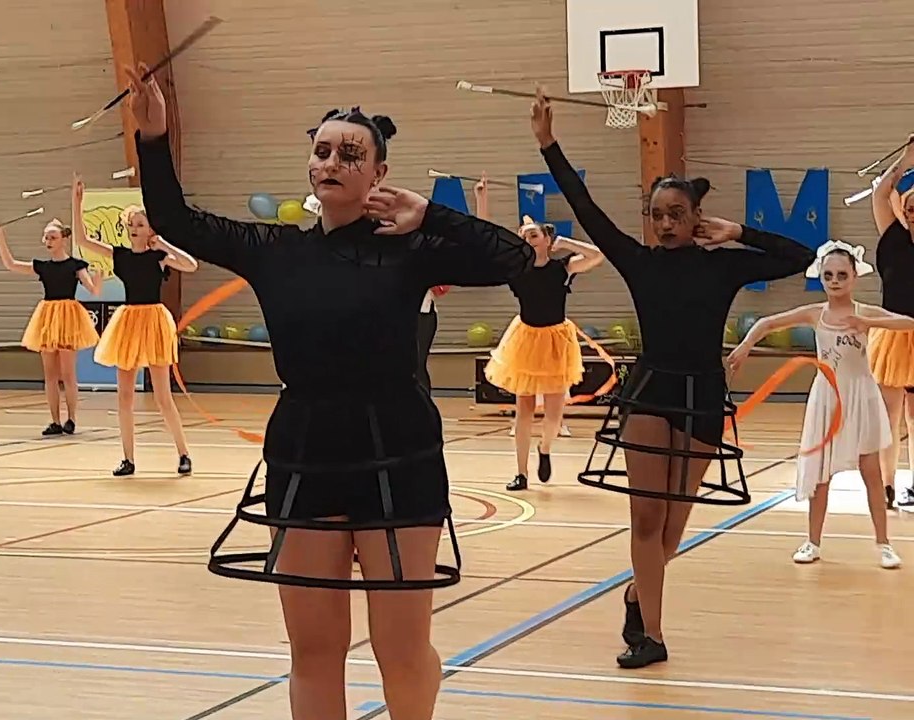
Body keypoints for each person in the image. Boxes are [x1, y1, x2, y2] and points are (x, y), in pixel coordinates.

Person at [125, 64, 533, 720]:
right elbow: (175, 218)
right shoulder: (274, 249)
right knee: (314, 649)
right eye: (322, 151)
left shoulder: (411, 248)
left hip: (397, 447)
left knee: (401, 647)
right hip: (306, 447)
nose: (332, 163)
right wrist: (152, 137)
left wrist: (432, 214)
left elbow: (517, 258)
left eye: (350, 154)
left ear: (378, 173)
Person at [530, 87, 814, 669]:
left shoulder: (723, 265)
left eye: (675, 214)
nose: (664, 223)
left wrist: (739, 232)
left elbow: (801, 255)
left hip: (702, 396)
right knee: (646, 518)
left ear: (695, 217)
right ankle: (652, 636)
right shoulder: (639, 261)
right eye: (657, 214)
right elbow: (586, 208)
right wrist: (548, 144)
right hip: (652, 394)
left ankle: (638, 596)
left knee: (672, 529)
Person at [729, 242, 904, 569]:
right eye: (829, 275)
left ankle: (884, 544)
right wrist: (746, 344)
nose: (835, 281)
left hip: (862, 396)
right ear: (820, 277)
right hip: (827, 398)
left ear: (854, 276)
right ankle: (813, 542)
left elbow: (907, 322)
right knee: (820, 476)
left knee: (871, 472)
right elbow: (767, 322)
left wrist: (869, 324)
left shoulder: (865, 312)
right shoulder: (814, 313)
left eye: (842, 275)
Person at [477, 168, 604, 490]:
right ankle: (521, 472)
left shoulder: (563, 268)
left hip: (556, 341)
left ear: (547, 240)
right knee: (524, 410)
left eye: (533, 234)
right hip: (526, 340)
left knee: (554, 413)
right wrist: (482, 200)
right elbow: (485, 242)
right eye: (524, 236)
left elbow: (597, 256)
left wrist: (566, 242)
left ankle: (545, 449)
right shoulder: (517, 270)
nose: (527, 239)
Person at [74, 173, 197, 477]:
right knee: (125, 397)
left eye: (140, 224)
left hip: (153, 321)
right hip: (128, 321)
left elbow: (191, 265)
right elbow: (83, 241)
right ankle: (127, 458)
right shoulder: (121, 256)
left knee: (163, 396)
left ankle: (183, 453)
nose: (134, 228)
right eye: (132, 224)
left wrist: (163, 243)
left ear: (150, 229)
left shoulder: (159, 257)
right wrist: (76, 203)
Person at [0, 218, 102, 435]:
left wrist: (98, 278)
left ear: (63, 239)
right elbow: (11, 264)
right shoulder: (43, 267)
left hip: (68, 318)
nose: (49, 241)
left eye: (53, 237)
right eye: (46, 238)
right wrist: (0, 238)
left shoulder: (76, 265)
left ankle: (71, 418)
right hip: (48, 317)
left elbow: (93, 290)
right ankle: (55, 421)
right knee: (50, 375)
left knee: (68, 374)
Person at [868, 141, 914, 509]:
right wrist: (906, 159)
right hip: (893, 334)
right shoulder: (892, 238)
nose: (913, 213)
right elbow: (880, 194)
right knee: (889, 414)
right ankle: (887, 485)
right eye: (910, 207)